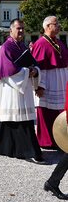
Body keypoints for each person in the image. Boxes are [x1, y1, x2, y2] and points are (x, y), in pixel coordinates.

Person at [0, 19, 44, 162]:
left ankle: (2, 146)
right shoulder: (6, 47)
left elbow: (33, 63)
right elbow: (8, 71)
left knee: (18, 119)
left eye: (23, 28)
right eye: (18, 28)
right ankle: (31, 151)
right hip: (12, 89)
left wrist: (35, 71)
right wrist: (27, 72)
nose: (21, 31)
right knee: (16, 119)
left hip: (23, 87)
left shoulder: (22, 46)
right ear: (10, 30)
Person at [32, 16, 68, 148]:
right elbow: (38, 68)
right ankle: (47, 141)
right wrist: (39, 86)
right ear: (47, 26)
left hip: (62, 83)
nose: (59, 25)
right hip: (48, 84)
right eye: (56, 23)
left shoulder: (59, 42)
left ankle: (61, 139)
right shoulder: (40, 44)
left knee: (60, 111)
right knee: (47, 112)